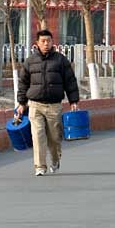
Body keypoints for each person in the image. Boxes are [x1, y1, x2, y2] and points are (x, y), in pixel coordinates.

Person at [16, 29, 81, 177]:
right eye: (43, 41)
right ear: (37, 44)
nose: (46, 44)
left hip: (54, 106)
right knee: (37, 136)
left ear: (53, 42)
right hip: (35, 105)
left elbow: (70, 81)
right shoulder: (30, 61)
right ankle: (40, 166)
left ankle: (55, 159)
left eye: (49, 41)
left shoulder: (60, 60)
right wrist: (21, 103)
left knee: (54, 138)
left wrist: (73, 101)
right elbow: (23, 83)